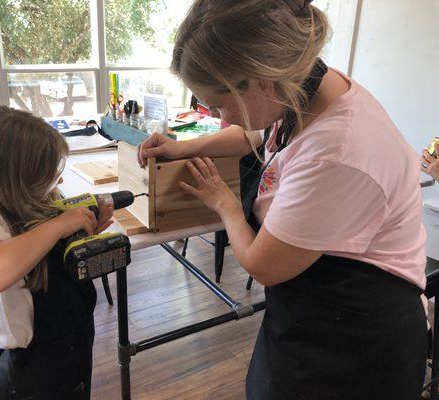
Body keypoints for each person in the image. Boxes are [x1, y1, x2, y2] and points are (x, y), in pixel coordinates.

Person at [138, 0, 427, 398]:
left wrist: (223, 203)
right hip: (309, 309)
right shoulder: (303, 89)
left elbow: (263, 264)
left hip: (357, 339)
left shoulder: (337, 153)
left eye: (219, 104)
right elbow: (256, 135)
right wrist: (184, 147)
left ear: (261, 80)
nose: (220, 117)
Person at [0, 106, 113, 400]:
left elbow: (49, 257)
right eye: (46, 174)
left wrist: (79, 236)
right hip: (30, 377)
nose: (57, 182)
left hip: (74, 353)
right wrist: (61, 225)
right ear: (14, 175)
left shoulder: (39, 201)